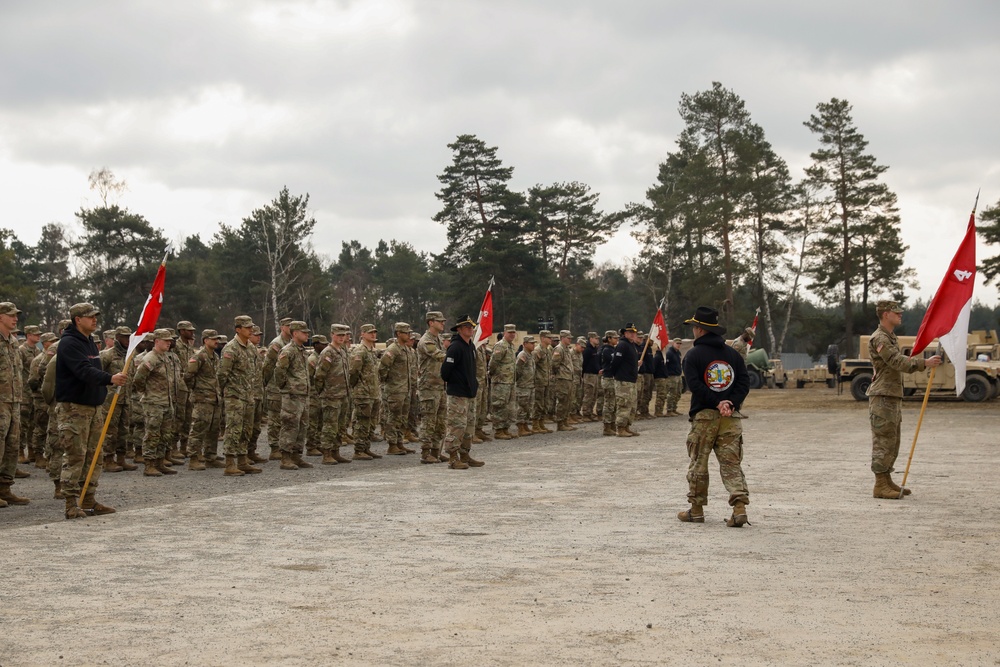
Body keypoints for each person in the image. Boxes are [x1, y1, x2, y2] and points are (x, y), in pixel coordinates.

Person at [677, 306, 751, 527]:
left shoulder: (693, 355)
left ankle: (696, 510)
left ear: (699, 330)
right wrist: (730, 402)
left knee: (699, 463)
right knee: (731, 463)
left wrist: (716, 402)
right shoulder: (732, 355)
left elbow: (695, 386)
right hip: (731, 417)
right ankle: (739, 509)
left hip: (705, 417)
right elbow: (744, 383)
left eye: (694, 327)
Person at [54, 303, 128, 518]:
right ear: (78, 320)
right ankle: (70, 503)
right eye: (90, 317)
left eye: (96, 316)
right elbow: (83, 371)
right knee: (76, 456)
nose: (95, 320)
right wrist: (110, 378)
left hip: (93, 407)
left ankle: (88, 498)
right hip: (75, 409)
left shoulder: (88, 343)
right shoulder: (69, 343)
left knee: (95, 456)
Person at [867, 300, 941, 499]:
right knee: (883, 440)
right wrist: (923, 362)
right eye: (896, 312)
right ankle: (880, 485)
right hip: (882, 396)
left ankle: (887, 480)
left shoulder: (890, 337)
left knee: (893, 440)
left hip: (890, 396)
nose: (900, 315)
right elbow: (896, 361)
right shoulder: (879, 338)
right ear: (885, 315)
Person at [216, 315, 262, 476]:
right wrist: (227, 393)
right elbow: (222, 374)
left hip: (248, 395)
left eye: (251, 327)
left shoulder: (250, 347)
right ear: (238, 329)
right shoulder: (231, 348)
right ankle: (229, 463)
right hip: (234, 396)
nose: (250, 330)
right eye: (247, 327)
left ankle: (243, 460)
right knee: (233, 429)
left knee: (246, 430)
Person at [440, 315, 482, 469]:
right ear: (459, 329)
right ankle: (453, 457)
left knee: (469, 426)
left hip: (469, 392)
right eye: (466, 327)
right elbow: (445, 372)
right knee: (457, 426)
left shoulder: (470, 345)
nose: (470, 329)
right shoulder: (455, 347)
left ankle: (465, 454)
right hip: (458, 393)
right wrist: (456, 382)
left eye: (471, 327)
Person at [0, 302, 29, 509]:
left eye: (16, 315)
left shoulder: (12, 342)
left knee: (11, 447)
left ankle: (4, 488)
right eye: (11, 315)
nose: (15, 318)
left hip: (14, 401)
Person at [273, 321, 313, 470]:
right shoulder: (287, 350)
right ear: (295, 333)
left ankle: (297, 456)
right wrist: (286, 387)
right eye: (304, 332)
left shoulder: (302, 351)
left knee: (302, 426)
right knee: (290, 425)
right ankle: (285, 457)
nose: (307, 335)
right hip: (292, 395)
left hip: (303, 395)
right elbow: (279, 372)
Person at [184, 329, 224, 471]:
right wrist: (196, 389)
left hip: (214, 398)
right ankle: (194, 458)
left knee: (214, 430)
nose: (216, 341)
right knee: (198, 428)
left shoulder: (215, 356)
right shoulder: (199, 356)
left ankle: (210, 457)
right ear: (205, 340)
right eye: (213, 339)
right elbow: (188, 376)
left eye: (217, 339)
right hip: (202, 399)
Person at [313, 324, 353, 464]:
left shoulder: (342, 351)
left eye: (344, 335)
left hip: (343, 394)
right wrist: (323, 391)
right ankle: (327, 453)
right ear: (332, 335)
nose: (342, 338)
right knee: (329, 426)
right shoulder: (328, 352)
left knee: (340, 426)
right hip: (331, 395)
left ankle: (336, 451)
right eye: (339, 335)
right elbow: (319, 375)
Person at [379, 322, 416, 456]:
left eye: (409, 333)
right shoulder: (393, 349)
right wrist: (388, 381)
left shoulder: (405, 349)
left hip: (405, 389)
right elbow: (383, 367)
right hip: (395, 389)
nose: (409, 335)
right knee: (393, 417)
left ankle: (399, 442)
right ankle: (392, 444)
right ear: (398, 334)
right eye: (406, 333)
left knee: (402, 418)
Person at [416, 312, 448, 464]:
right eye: (439, 321)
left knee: (440, 422)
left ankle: (436, 451)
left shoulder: (438, 339)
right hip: (428, 387)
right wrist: (457, 357)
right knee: (429, 421)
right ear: (431, 322)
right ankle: (425, 453)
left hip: (439, 385)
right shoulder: (426, 340)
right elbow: (439, 356)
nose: (442, 323)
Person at [348, 324, 382, 460]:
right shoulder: (359, 351)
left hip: (373, 392)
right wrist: (358, 387)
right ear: (362, 334)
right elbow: (354, 372)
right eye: (370, 333)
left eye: (374, 332)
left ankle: (366, 448)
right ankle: (359, 450)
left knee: (371, 422)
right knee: (361, 422)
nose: (373, 335)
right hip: (363, 393)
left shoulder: (372, 351)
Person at [609, 324, 640, 437]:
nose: (632, 334)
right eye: (630, 332)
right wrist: (617, 375)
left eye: (634, 332)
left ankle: (627, 426)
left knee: (631, 406)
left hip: (631, 380)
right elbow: (616, 362)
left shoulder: (631, 345)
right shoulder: (622, 345)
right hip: (623, 381)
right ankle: (620, 428)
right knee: (624, 405)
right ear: (625, 333)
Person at [489, 324, 518, 439]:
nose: (512, 335)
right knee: (499, 405)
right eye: (510, 332)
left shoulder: (510, 346)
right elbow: (493, 364)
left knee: (508, 407)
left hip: (509, 381)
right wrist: (494, 375)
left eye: (513, 333)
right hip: (501, 382)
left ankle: (505, 428)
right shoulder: (500, 346)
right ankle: (498, 430)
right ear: (504, 332)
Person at [550, 330, 576, 431]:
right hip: (562, 378)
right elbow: (554, 364)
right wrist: (559, 374)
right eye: (568, 338)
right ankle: (560, 423)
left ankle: (565, 421)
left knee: (568, 401)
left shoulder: (566, 349)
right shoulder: (559, 349)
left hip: (568, 378)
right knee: (562, 400)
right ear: (562, 338)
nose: (570, 340)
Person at [514, 335, 536, 437]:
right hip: (523, 385)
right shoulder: (522, 355)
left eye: (534, 343)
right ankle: (520, 426)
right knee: (522, 407)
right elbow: (517, 371)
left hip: (530, 385)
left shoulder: (530, 355)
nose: (533, 345)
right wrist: (520, 382)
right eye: (531, 343)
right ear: (525, 344)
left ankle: (525, 424)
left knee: (528, 407)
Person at [599, 330, 619, 436]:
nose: (617, 340)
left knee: (613, 403)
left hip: (613, 378)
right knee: (609, 403)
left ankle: (611, 424)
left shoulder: (614, 349)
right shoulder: (607, 350)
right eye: (615, 338)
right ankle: (607, 426)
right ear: (609, 339)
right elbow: (614, 362)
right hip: (608, 379)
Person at [581, 332, 601, 421]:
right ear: (591, 339)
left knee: (594, 394)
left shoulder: (595, 349)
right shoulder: (588, 350)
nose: (597, 340)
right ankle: (585, 413)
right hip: (588, 375)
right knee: (588, 394)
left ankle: (590, 412)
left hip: (595, 374)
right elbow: (583, 363)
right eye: (596, 338)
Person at [664, 338, 683, 416]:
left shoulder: (678, 353)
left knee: (678, 393)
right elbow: (666, 365)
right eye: (677, 343)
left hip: (678, 375)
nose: (678, 345)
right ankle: (669, 410)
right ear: (673, 343)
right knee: (672, 393)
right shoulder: (669, 353)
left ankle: (674, 408)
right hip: (671, 376)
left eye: (680, 344)